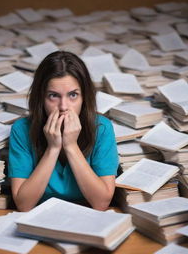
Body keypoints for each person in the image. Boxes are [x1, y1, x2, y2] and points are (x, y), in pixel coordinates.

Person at [8, 51, 119, 212]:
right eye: (53, 96)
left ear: (84, 97)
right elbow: (24, 204)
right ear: (41, 97)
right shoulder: (21, 130)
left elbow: (101, 203)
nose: (64, 107)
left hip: (86, 216)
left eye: (73, 95)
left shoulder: (101, 128)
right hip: (39, 217)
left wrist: (71, 146)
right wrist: (53, 148)